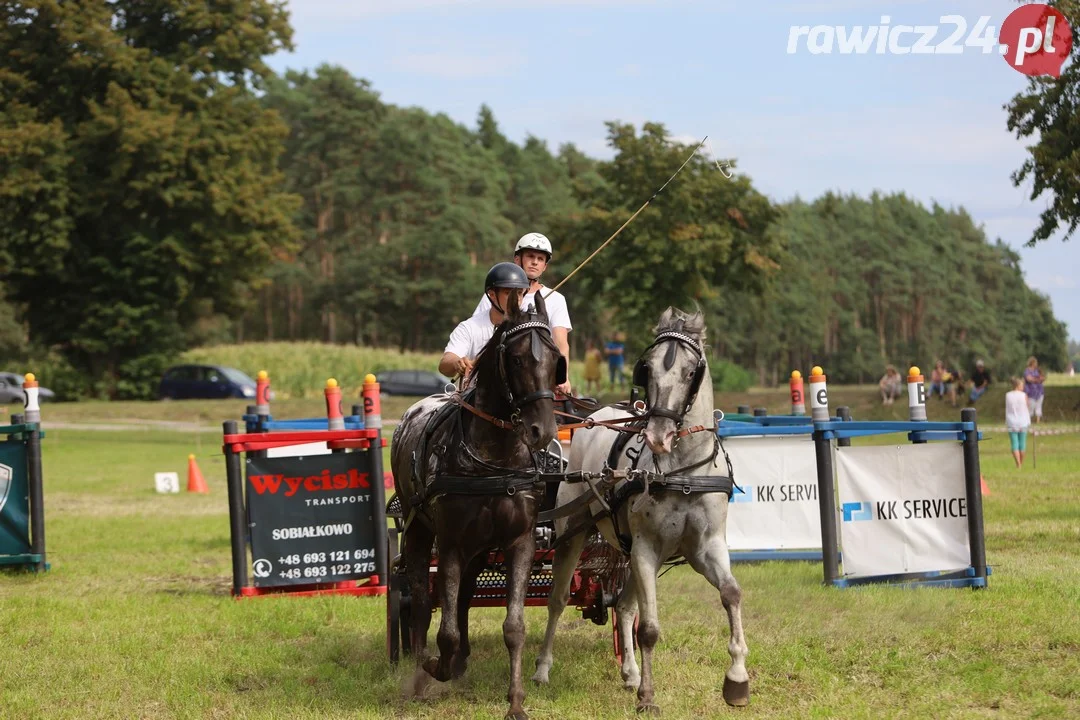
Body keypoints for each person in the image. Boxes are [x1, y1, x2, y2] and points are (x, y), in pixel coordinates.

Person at [472, 232, 572, 396]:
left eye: (540, 259)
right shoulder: (495, 295)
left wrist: (564, 377)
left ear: (545, 266)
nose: (535, 262)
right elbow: (480, 332)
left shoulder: (556, 299)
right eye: (530, 256)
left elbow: (561, 343)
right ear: (517, 259)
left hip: (540, 380)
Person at [440, 262, 529, 386]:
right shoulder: (469, 327)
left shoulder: (529, 328)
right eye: (508, 293)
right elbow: (445, 365)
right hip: (475, 400)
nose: (516, 299)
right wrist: (457, 362)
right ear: (492, 295)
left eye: (519, 293)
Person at [1005, 376, 1030, 469]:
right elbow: (1028, 405)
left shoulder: (1008, 395)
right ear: (1018, 385)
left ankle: (1018, 464)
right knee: (1022, 443)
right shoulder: (1024, 395)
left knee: (1014, 443)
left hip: (1011, 421)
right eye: (1022, 385)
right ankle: (1021, 464)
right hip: (1023, 421)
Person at [1023, 356, 1046, 424]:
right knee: (1031, 406)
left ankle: (1038, 421)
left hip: (1039, 391)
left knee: (1039, 406)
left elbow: (1043, 377)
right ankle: (1028, 421)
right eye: (1035, 362)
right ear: (1032, 363)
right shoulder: (1027, 371)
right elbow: (1029, 379)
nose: (1036, 364)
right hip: (1030, 392)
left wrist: (1038, 379)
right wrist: (1037, 380)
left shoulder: (1038, 370)